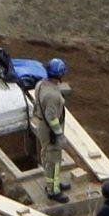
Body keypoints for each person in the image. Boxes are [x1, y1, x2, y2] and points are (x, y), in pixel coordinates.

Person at [32, 58, 69, 203]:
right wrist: (58, 134)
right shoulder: (52, 95)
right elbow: (51, 116)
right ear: (59, 75)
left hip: (44, 128)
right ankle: (53, 190)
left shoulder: (41, 84)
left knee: (49, 157)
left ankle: (54, 183)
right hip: (51, 131)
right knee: (53, 160)